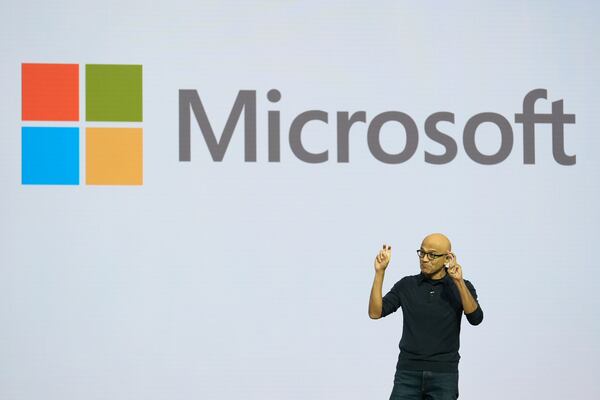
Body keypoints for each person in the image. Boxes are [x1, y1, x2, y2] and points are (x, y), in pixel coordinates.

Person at [368, 233, 483, 400]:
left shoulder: (462, 286)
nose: (425, 259)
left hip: (444, 375)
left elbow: (476, 318)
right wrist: (380, 273)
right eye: (422, 253)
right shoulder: (406, 285)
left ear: (447, 258)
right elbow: (375, 313)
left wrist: (458, 281)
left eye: (432, 255)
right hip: (407, 373)